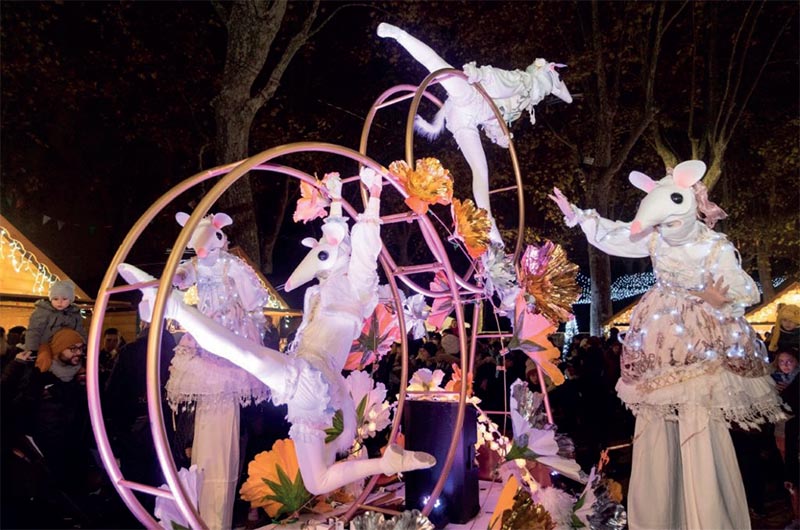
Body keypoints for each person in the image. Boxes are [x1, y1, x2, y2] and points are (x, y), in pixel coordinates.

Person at [118, 169, 435, 501]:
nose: (325, 257)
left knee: (242, 354)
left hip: (311, 376)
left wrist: (375, 201)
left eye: (332, 253)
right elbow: (331, 243)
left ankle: (173, 308)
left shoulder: (355, 289)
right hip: (313, 389)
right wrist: (338, 200)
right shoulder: (324, 291)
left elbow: (365, 252)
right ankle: (385, 461)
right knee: (317, 481)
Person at [550, 160, 784, 529]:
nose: (666, 230)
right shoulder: (654, 237)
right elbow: (618, 233)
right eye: (662, 223)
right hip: (659, 340)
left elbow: (747, 288)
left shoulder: (712, 244)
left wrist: (718, 298)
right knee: (654, 422)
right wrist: (581, 217)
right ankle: (658, 519)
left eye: (672, 221)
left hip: (700, 341)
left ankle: (707, 519)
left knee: (699, 425)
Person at [377, 22, 571, 245]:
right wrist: (479, 75)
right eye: (545, 90)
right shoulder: (525, 81)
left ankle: (491, 234)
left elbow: (495, 119)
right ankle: (399, 34)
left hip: (467, 119)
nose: (541, 95)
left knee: (481, 172)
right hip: (472, 98)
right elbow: (500, 82)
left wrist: (501, 135)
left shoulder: (523, 101)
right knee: (439, 67)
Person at [23, 280, 86, 354]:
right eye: (55, 299)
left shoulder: (74, 314)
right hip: (46, 346)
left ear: (70, 300)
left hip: (68, 348)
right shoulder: (43, 312)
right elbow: (34, 331)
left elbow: (80, 331)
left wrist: (84, 346)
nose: (60, 302)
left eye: (64, 299)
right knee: (44, 359)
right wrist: (32, 349)